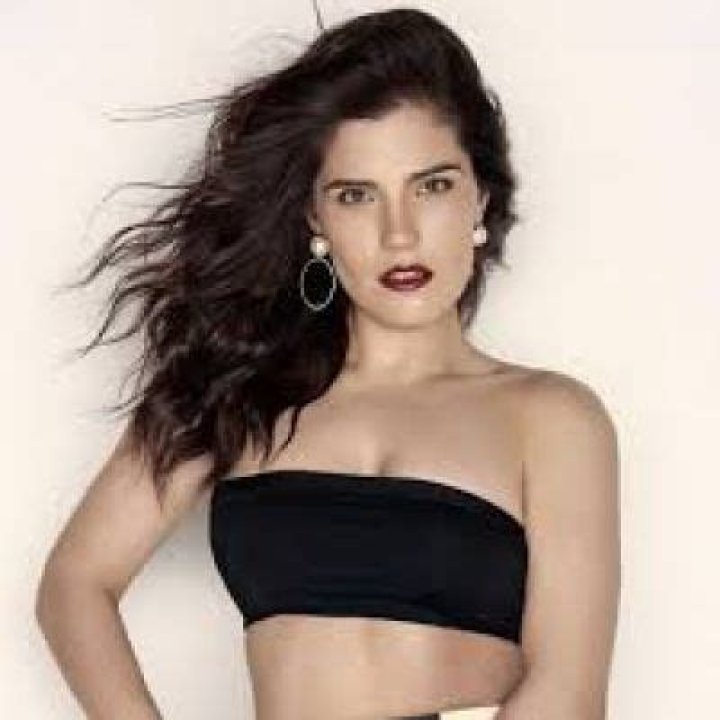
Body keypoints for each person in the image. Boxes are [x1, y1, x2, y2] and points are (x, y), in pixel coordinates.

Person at [34, 6, 621, 720]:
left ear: (481, 197)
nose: (399, 233)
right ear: (315, 218)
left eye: (432, 186)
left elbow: (568, 691)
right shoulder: (237, 391)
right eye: (355, 196)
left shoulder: (551, 418)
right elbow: (76, 583)